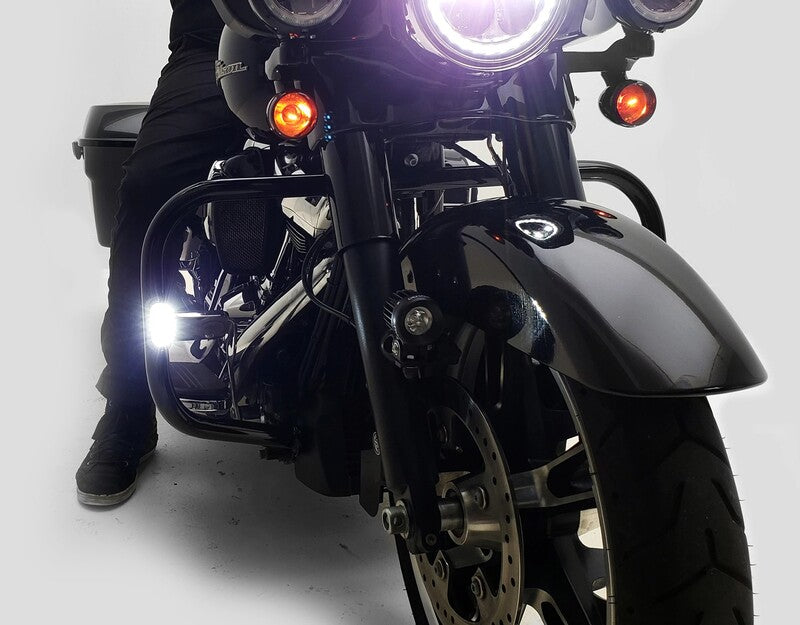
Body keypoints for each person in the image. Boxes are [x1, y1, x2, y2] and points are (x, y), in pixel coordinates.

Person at [76, 1, 247, 506]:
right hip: (224, 42)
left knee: (428, 160)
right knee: (149, 187)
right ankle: (129, 402)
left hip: (363, 43)